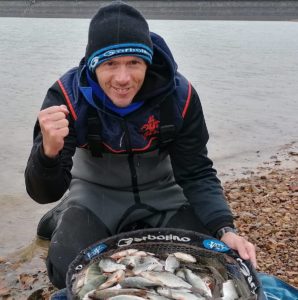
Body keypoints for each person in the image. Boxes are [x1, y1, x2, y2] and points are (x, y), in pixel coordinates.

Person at [25, 1, 256, 289]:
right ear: (94, 65)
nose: (123, 78)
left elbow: (196, 171)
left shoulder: (179, 96)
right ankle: (63, 215)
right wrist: (47, 153)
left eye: (134, 63)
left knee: (208, 260)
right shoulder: (66, 98)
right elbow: (43, 192)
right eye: (110, 64)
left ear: (147, 62)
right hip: (96, 195)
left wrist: (225, 228)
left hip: (164, 194)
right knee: (65, 272)